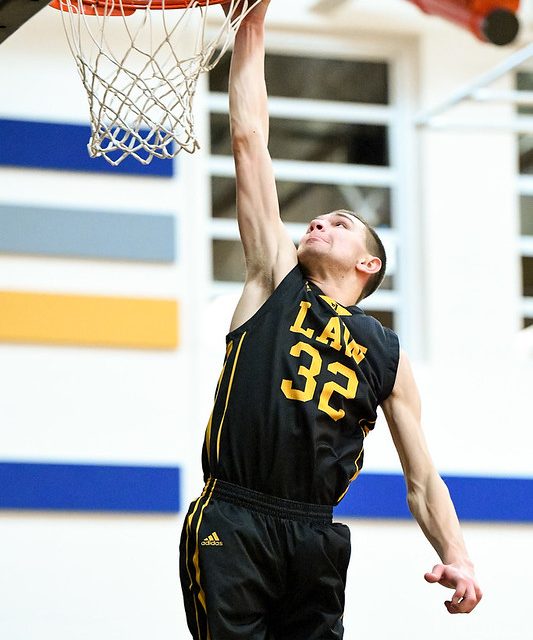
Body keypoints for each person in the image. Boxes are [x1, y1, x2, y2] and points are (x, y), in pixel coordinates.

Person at [180, 2, 482, 638]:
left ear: (369, 264)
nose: (317, 221)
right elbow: (248, 140)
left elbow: (422, 475)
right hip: (235, 516)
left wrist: (456, 555)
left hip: (315, 533)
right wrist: (251, 23)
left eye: (339, 223)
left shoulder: (386, 354)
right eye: (317, 219)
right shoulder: (273, 278)